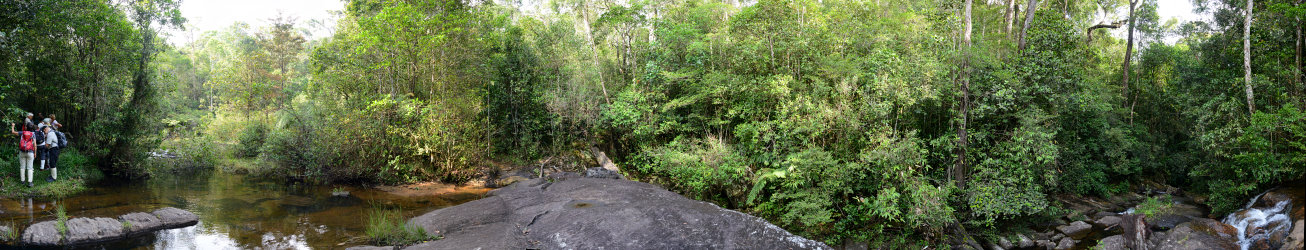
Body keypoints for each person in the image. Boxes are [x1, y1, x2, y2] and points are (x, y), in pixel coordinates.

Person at [10, 123, 35, 187]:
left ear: (26, 127)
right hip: (30, 152)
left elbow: (13, 132)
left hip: (22, 152)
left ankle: (22, 181)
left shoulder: (22, 133)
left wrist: (13, 126)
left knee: (22, 167)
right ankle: (30, 182)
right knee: (30, 168)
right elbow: (35, 145)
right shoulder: (33, 134)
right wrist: (35, 153)